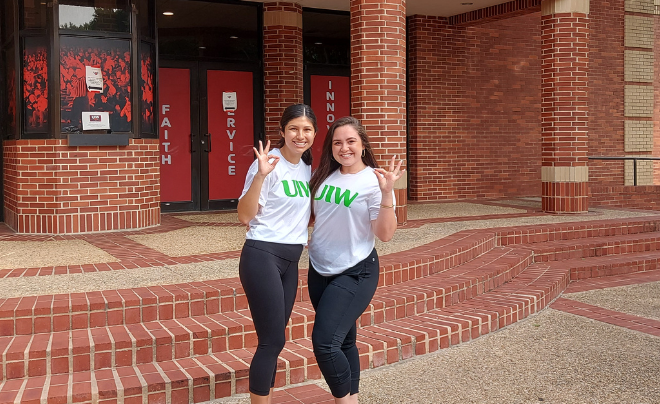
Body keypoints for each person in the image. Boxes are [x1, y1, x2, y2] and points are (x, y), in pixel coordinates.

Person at [307, 116, 404, 403]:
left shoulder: (375, 181)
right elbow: (314, 216)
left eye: (351, 141)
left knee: (325, 344)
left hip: (355, 270)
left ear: (362, 145)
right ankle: (354, 398)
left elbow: (385, 234)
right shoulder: (324, 174)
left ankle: (343, 401)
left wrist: (388, 193)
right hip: (319, 269)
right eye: (337, 142)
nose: (344, 148)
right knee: (344, 341)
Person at [237, 104, 318, 404]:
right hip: (262, 255)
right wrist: (260, 176)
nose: (300, 135)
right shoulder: (267, 164)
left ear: (314, 134)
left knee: (274, 343)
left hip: (291, 260)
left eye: (307, 129)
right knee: (272, 341)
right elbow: (244, 216)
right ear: (282, 131)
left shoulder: (308, 168)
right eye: (294, 128)